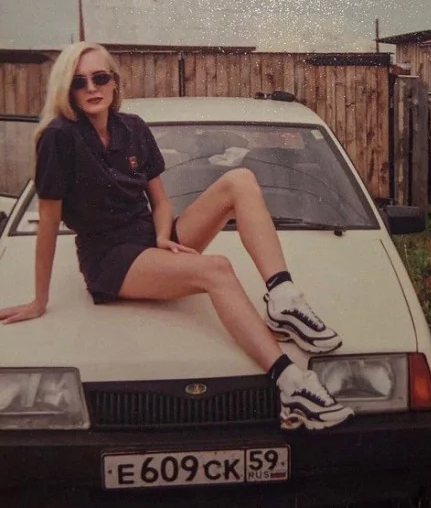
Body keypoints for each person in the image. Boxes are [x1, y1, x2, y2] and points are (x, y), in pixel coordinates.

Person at [0, 41, 354, 431]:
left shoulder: (132, 128)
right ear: (67, 90)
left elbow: (161, 201)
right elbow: (48, 223)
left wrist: (161, 237)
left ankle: (283, 297)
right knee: (216, 269)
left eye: (99, 77)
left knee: (240, 180)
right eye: (79, 81)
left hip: (152, 239)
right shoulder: (59, 137)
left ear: (115, 81)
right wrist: (39, 300)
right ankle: (292, 384)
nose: (91, 88)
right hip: (111, 259)